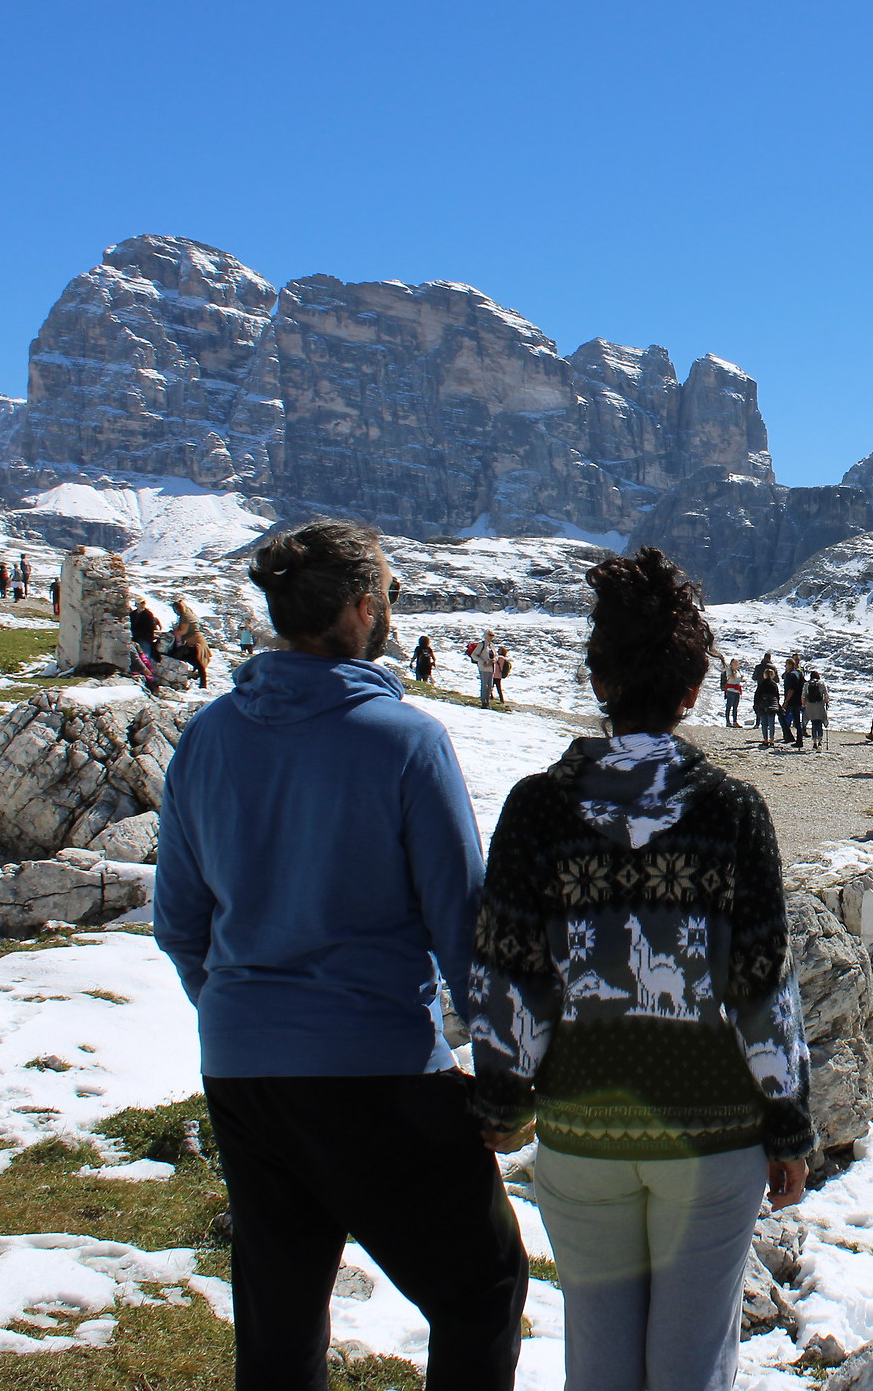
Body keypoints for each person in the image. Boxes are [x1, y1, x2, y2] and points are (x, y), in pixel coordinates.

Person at [153, 519, 526, 1391]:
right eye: (389, 594)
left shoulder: (208, 736)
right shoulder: (403, 740)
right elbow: (462, 928)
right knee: (482, 1286)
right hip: (375, 1064)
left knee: (280, 1319)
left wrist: (249, 1014)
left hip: (243, 1068)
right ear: (362, 608)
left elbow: (179, 925)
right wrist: (505, 1073)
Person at [469, 548, 811, 1391]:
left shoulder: (536, 808)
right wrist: (788, 1127)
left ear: (600, 679)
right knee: (692, 1369)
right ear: (693, 691)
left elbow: (510, 974)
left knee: (598, 1363)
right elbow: (763, 985)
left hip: (581, 1135)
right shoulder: (733, 811)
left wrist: (501, 1101)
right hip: (713, 1140)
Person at [752, 656, 780, 747]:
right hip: (772, 704)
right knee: (771, 723)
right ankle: (772, 740)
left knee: (764, 723)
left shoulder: (762, 683)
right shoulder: (774, 684)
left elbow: (757, 694)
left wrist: (756, 704)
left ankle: (765, 740)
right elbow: (777, 695)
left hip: (763, 705)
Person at [802, 669, 830, 752]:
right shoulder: (821, 683)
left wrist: (804, 705)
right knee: (819, 723)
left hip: (810, 705)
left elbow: (803, 696)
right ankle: (820, 742)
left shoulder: (807, 684)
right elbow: (826, 695)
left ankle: (814, 742)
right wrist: (826, 702)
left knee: (813, 723)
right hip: (819, 705)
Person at [780, 657, 805, 748]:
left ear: (790, 665)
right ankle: (799, 740)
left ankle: (789, 736)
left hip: (791, 701)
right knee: (797, 721)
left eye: (786, 664)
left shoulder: (791, 675)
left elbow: (791, 689)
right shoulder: (799, 673)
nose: (785, 666)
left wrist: (786, 701)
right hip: (798, 700)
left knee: (782, 717)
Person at [130, 601, 162, 666]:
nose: (141, 605)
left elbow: (150, 628)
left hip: (145, 638)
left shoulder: (148, 614)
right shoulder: (133, 614)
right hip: (135, 637)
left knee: (145, 656)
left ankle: (146, 669)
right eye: (139, 603)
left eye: (143, 603)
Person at [473, 632, 499, 708]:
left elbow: (496, 656)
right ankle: (483, 702)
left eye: (493, 635)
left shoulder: (492, 645)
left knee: (490, 685)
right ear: (486, 636)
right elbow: (474, 655)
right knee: (485, 685)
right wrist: (482, 661)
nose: (492, 637)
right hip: (483, 667)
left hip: (491, 667)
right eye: (490, 635)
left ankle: (487, 701)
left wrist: (493, 660)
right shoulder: (481, 645)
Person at [721, 660, 744, 728]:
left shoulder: (738, 671)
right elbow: (733, 678)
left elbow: (739, 679)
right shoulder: (729, 670)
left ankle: (735, 721)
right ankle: (728, 722)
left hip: (737, 690)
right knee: (729, 705)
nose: (736, 664)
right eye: (735, 663)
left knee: (735, 706)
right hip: (731, 689)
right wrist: (734, 671)